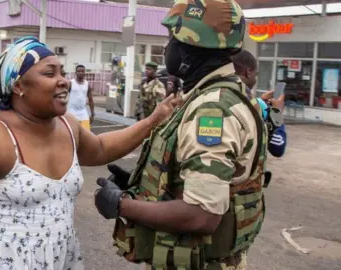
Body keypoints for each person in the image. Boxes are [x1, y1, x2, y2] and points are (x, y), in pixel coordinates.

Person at [0, 37, 176, 270]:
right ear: (18, 86)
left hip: (59, 259)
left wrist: (151, 122)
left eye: (62, 72)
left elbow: (100, 149)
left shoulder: (68, 126)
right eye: (49, 73)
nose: (63, 80)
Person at [94, 1, 270, 269]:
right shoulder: (225, 93)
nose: (168, 47)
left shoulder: (212, 110)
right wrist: (146, 187)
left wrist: (121, 204)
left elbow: (201, 214)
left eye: (172, 38)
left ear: (192, 48)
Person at [232, 49, 287, 157]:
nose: (255, 79)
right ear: (248, 72)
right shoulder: (246, 105)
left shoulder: (225, 95)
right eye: (255, 74)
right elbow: (277, 147)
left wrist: (259, 101)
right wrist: (277, 113)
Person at [67, 64, 95, 131]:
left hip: (83, 112)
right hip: (71, 112)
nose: (80, 73)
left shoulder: (87, 84)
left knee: (86, 132)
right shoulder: (70, 83)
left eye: (82, 71)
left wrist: (92, 114)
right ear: (75, 73)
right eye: (78, 71)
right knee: (72, 132)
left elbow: (91, 100)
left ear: (85, 72)